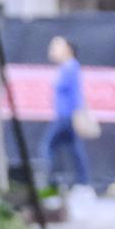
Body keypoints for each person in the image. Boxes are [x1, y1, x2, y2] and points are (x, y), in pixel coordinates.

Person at [44, 36, 90, 190]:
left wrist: (78, 113)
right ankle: (82, 181)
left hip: (66, 115)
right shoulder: (66, 67)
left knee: (47, 146)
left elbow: (75, 93)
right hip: (65, 114)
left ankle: (49, 180)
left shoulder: (70, 67)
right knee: (74, 148)